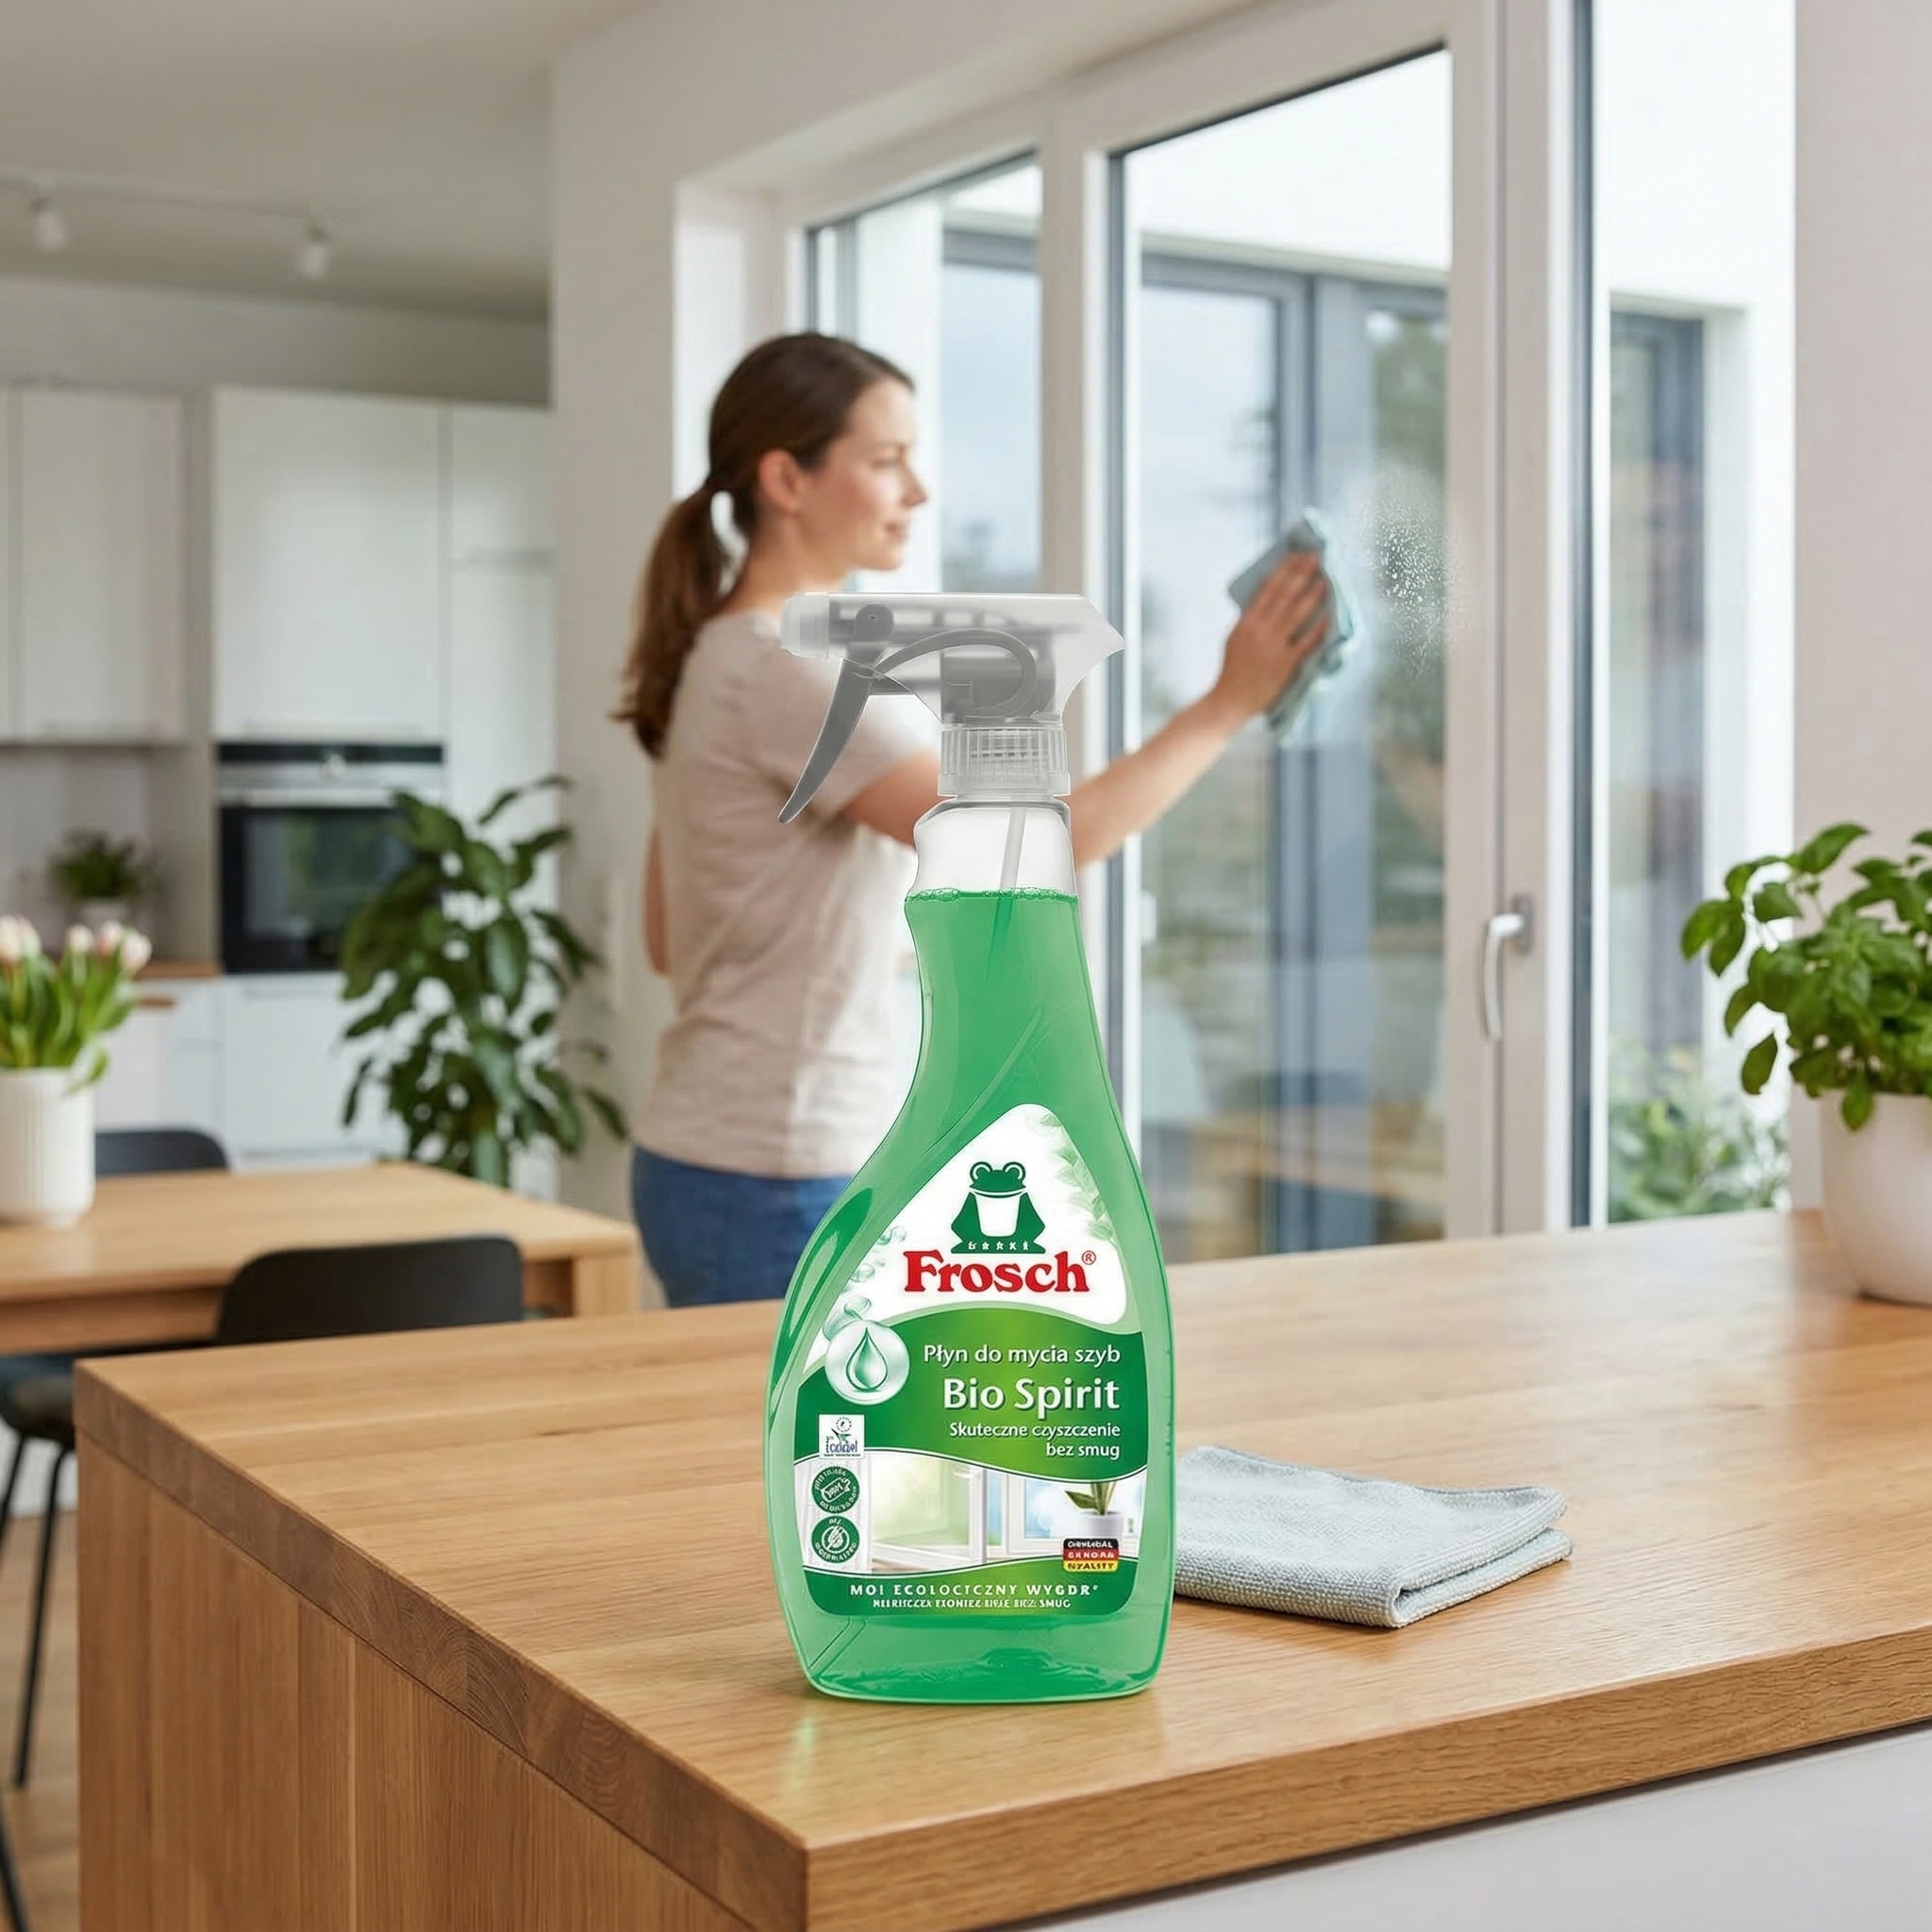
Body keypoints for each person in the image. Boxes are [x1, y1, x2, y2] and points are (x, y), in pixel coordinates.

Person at [617, 332, 1330, 1307]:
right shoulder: (792, 668)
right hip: (776, 1174)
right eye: (885, 460)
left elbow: (673, 938)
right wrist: (1226, 703)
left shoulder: (718, 654)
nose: (916, 490)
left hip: (715, 1155)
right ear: (785, 479)